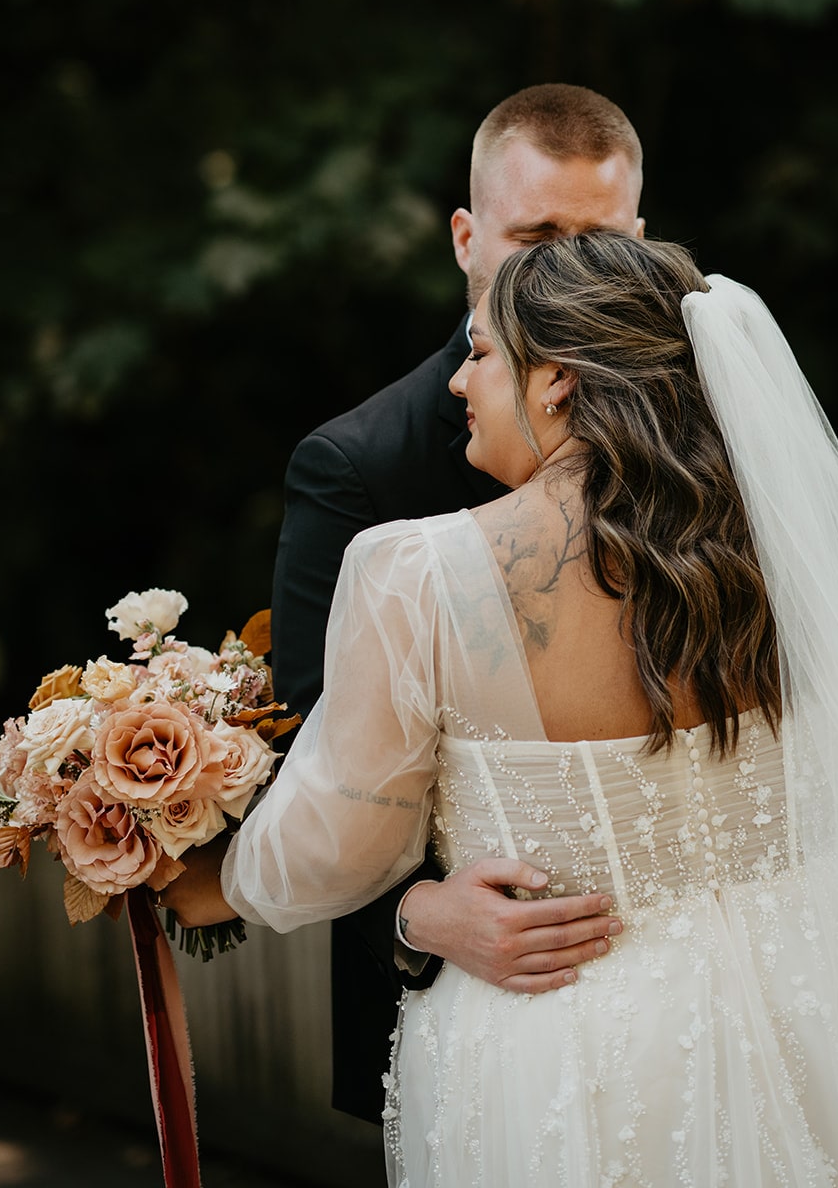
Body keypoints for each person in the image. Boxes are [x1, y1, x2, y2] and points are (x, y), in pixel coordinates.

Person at [167, 232, 838, 1187]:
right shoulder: (804, 542)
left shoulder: (415, 574)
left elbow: (337, 842)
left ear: (556, 381)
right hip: (834, 1003)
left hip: (580, 1046)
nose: (458, 385)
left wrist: (205, 866)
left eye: (482, 356)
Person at [267, 83, 646, 1122]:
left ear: (645, 247)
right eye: (536, 238)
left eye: (600, 241)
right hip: (469, 1020)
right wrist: (417, 916)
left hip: (700, 986)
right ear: (466, 239)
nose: (567, 274)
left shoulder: (727, 454)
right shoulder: (360, 465)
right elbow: (304, 758)